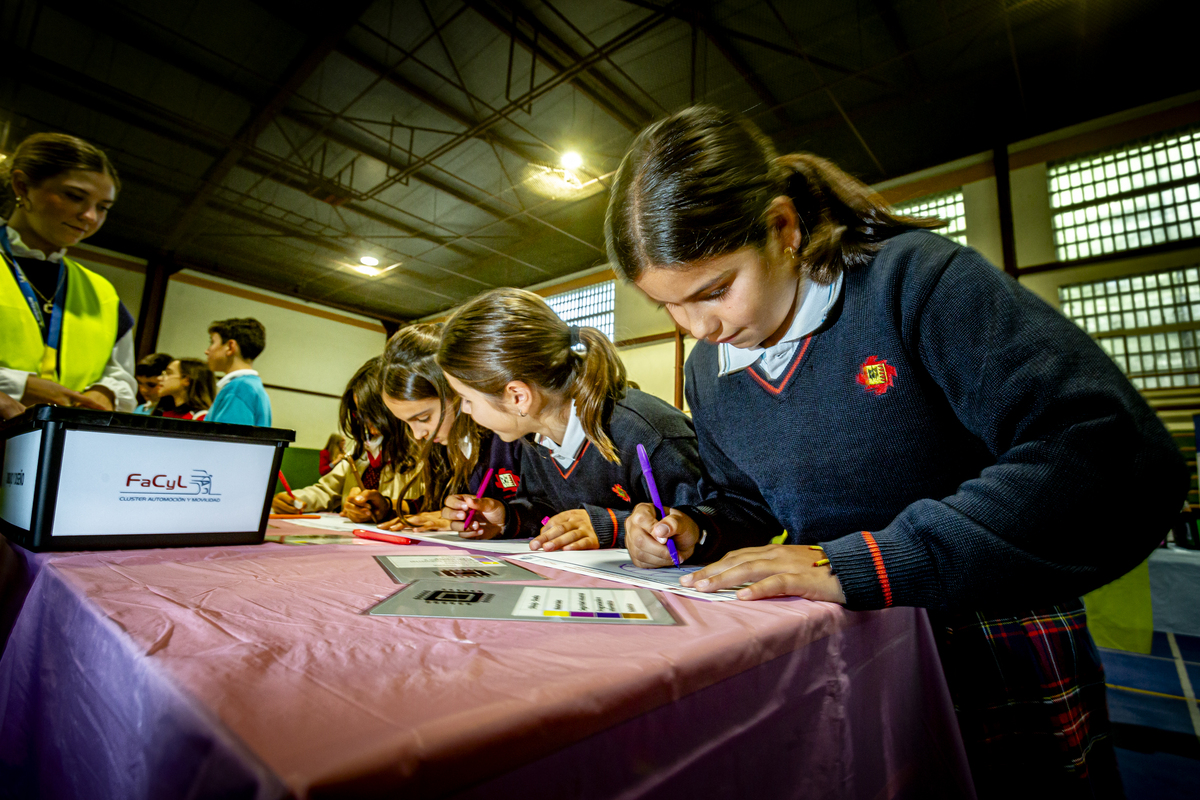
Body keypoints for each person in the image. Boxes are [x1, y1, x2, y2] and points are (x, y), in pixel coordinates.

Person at [605, 106, 1188, 799]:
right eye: (668, 307)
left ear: (784, 230)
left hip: (988, 637)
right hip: (843, 638)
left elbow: (1100, 447)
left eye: (716, 290)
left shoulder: (914, 283)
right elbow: (748, 501)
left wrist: (869, 561)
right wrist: (697, 528)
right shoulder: (711, 368)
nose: (701, 326)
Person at [436, 288, 703, 551]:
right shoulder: (537, 439)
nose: (466, 411)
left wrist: (612, 526)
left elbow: (705, 524)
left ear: (518, 397)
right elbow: (549, 511)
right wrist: (507, 519)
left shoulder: (646, 433)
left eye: (467, 399)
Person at [0, 132, 136, 413]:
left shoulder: (103, 293)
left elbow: (121, 374)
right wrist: (16, 385)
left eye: (103, 208)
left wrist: (105, 393)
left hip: (56, 450)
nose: (90, 216)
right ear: (22, 186)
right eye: (75, 197)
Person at [373, 322, 519, 533]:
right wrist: (393, 507)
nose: (418, 434)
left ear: (458, 391)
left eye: (423, 418)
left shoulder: (510, 436)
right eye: (407, 423)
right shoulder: (445, 443)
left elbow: (544, 511)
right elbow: (439, 505)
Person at [269, 357, 421, 524]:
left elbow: (428, 506)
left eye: (375, 415)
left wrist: (387, 508)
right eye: (360, 415)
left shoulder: (422, 455)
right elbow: (325, 491)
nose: (369, 426)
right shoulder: (361, 453)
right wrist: (292, 499)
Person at [205, 317, 271, 426]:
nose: (207, 351)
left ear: (230, 347)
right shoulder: (250, 386)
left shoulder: (238, 389)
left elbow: (227, 441)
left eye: (212, 342)